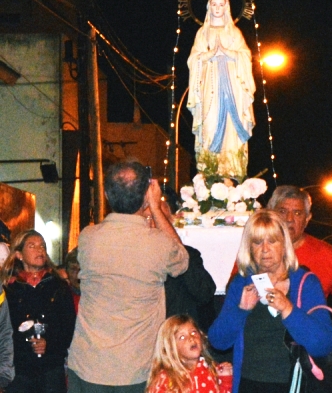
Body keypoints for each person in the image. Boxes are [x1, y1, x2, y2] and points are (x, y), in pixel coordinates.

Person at [68, 161, 189, 393]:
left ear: (106, 194)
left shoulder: (88, 237)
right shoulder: (158, 243)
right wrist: (155, 207)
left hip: (88, 363)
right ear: (145, 195)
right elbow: (182, 263)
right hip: (134, 369)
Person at [208, 210, 332, 393]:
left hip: (292, 386)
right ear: (250, 247)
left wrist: (289, 309)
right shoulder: (242, 283)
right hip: (248, 384)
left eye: (272, 241)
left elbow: (324, 344)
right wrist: (240, 310)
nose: (265, 249)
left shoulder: (305, 283)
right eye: (258, 242)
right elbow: (218, 341)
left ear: (284, 244)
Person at [266, 186, 332, 376]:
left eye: (297, 213)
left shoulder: (326, 254)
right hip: (262, 363)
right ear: (271, 214)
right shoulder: (256, 249)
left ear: (307, 219)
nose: (289, 219)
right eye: (282, 211)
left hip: (312, 363)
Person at [187, 0, 255, 179]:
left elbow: (246, 55)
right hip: (210, 89)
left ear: (227, 8)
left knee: (231, 132)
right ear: (209, 7)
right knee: (209, 126)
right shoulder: (203, 32)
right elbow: (193, 58)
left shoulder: (234, 32)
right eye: (214, 4)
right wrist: (208, 55)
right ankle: (209, 174)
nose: (217, 8)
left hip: (232, 87)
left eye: (221, 4)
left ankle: (230, 176)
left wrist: (227, 53)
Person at [1, 230, 75, 393]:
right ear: (19, 254)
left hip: (50, 369)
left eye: (42, 245)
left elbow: (69, 327)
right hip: (19, 370)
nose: (39, 250)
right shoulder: (10, 289)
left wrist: (50, 344)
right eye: (32, 246)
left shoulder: (58, 286)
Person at [150, 191, 216, 329]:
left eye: (160, 221)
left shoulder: (189, 254)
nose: (153, 226)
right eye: (148, 220)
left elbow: (205, 293)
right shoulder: (135, 258)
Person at [146, 315, 232, 393]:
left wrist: (225, 379)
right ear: (171, 348)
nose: (191, 338)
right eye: (182, 337)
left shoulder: (212, 369)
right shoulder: (165, 379)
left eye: (194, 332)